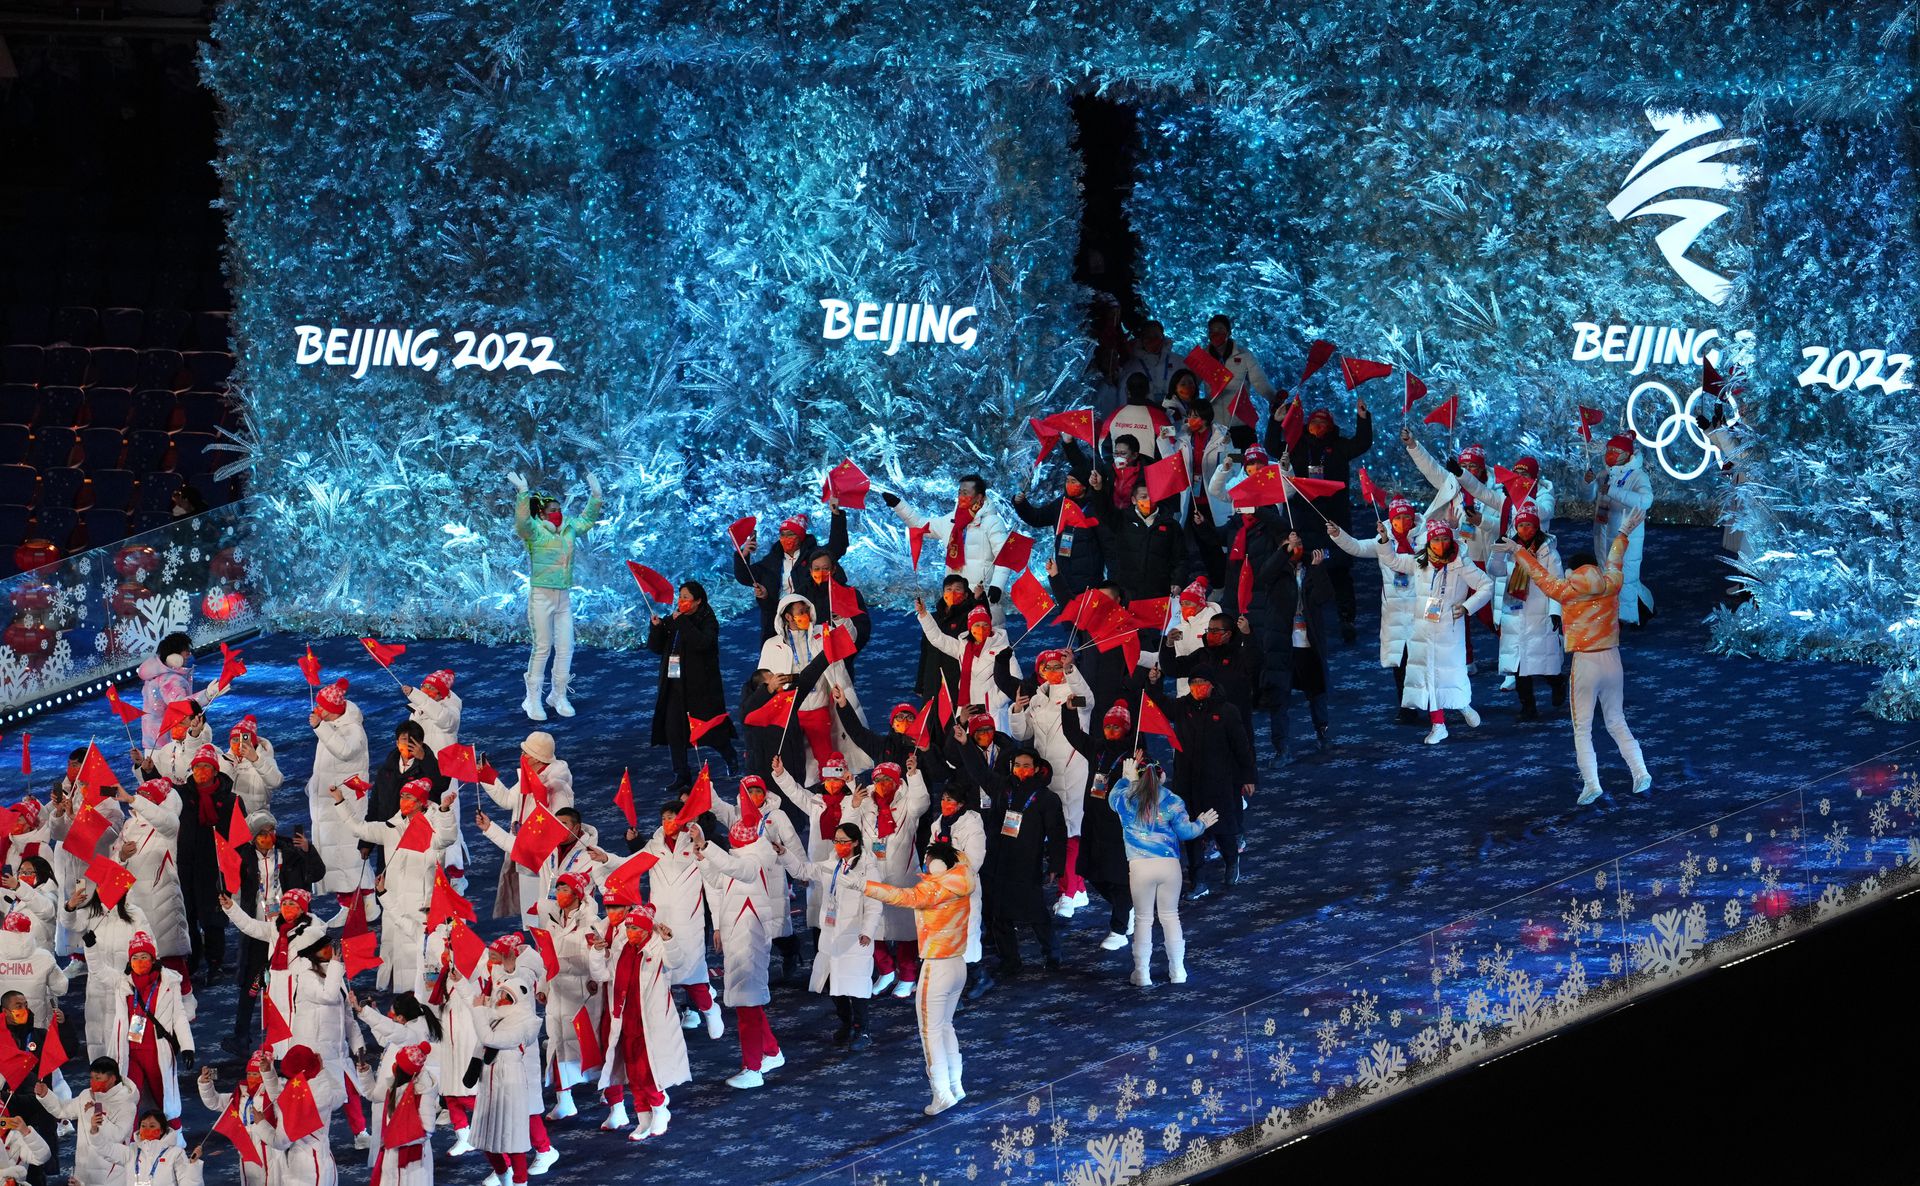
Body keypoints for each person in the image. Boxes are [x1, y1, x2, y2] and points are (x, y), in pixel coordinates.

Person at [1505, 507, 1654, 803]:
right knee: (1616, 720)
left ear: (1573, 570)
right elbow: (1615, 558)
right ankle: (1640, 771)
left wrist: (1518, 551)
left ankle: (1592, 783)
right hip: (1613, 659)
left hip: (1585, 663)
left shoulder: (1565, 589)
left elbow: (1539, 575)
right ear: (1594, 567)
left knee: (1582, 727)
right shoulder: (1611, 582)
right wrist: (1624, 531)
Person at [860, 839, 974, 1115]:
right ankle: (955, 1086)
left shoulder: (932, 889)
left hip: (936, 968)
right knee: (945, 1026)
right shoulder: (963, 876)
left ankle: (941, 1093)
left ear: (935, 864)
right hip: (958, 964)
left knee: (930, 1032)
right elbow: (960, 857)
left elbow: (901, 897)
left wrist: (862, 885)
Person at [688, 795, 794, 1090]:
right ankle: (771, 1052)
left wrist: (708, 847)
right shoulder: (738, 858)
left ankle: (753, 1068)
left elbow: (736, 870)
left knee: (748, 1003)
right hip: (738, 936)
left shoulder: (754, 861)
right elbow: (718, 879)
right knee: (749, 1002)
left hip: (749, 938)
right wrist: (701, 854)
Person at [332, 778, 457, 995]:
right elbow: (358, 828)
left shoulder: (432, 829)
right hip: (392, 900)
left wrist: (445, 810)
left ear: (420, 801)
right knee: (392, 950)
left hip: (420, 903)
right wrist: (341, 801)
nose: (403, 800)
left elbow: (447, 838)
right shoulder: (391, 827)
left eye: (408, 797)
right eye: (402, 796)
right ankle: (398, 999)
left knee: (416, 956)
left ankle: (420, 998)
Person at [1374, 520, 1492, 745]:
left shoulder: (1461, 563)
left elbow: (1486, 585)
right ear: (1429, 541)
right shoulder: (1420, 560)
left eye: (1445, 539)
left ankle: (1462, 704)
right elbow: (1393, 560)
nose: (1441, 543)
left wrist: (1467, 606)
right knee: (1429, 677)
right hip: (1423, 629)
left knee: (1451, 674)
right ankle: (1438, 725)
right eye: (1436, 539)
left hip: (1449, 628)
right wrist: (1384, 540)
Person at [959, 739, 1066, 976]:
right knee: (998, 915)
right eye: (1017, 765)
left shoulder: (1047, 798)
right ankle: (1010, 960)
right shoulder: (1002, 787)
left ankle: (1053, 955)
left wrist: (1056, 866)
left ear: (1037, 768)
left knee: (1035, 913)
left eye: (1026, 765)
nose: (1021, 769)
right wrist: (965, 744)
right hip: (997, 861)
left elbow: (1058, 834)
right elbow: (978, 771)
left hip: (1026, 863)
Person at [1273, 392, 1373, 641]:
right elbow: (1273, 447)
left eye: (1323, 423)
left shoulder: (1339, 446)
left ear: (1330, 426)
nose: (1318, 427)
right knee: (1302, 570)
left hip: (1333, 517)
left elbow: (1362, 443)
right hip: (1303, 518)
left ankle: (1347, 620)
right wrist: (1275, 422)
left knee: (1340, 571)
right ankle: (1302, 621)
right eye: (1314, 422)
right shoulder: (1295, 445)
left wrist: (1363, 418)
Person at [1109, 755, 1217, 986]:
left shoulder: (1125, 798)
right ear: (1163, 776)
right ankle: (1178, 971)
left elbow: (1111, 799)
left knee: (1143, 919)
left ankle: (1142, 974)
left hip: (1139, 867)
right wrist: (1202, 824)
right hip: (1169, 866)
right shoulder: (1173, 801)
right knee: (1170, 917)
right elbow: (1186, 833)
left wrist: (1124, 780)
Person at [1150, 667, 1255, 899]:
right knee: (1191, 832)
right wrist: (1156, 682)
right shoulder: (1182, 707)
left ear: (1212, 684)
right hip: (1187, 782)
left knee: (1223, 828)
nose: (1198, 686)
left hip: (1219, 781)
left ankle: (1231, 861)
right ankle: (1198, 880)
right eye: (1194, 682)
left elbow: (1241, 746)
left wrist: (1248, 777)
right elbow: (1158, 702)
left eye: (1203, 681)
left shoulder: (1227, 711)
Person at [507, 469, 603, 721]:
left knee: (566, 647)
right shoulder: (535, 531)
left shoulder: (569, 528)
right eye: (551, 510)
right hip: (541, 596)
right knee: (542, 648)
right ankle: (533, 698)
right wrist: (522, 493)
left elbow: (587, 520)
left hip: (563, 597)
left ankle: (558, 695)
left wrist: (596, 496)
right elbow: (521, 522)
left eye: (558, 509)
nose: (557, 513)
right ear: (541, 514)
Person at [592, 904, 688, 1141]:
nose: (630, 931)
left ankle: (659, 1110)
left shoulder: (657, 947)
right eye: (628, 927)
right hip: (626, 1020)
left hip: (651, 1022)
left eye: (634, 927)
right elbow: (602, 975)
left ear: (646, 929)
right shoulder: (622, 948)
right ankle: (643, 1116)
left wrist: (669, 940)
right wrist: (596, 953)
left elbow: (676, 962)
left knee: (649, 1070)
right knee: (633, 1071)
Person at [1329, 497, 1428, 724]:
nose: (1402, 522)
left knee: (1421, 659)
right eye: (1397, 518)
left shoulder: (1424, 539)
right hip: (1394, 612)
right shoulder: (1383, 540)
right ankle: (1406, 707)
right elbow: (1356, 547)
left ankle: (1429, 703)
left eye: (1406, 517)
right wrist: (1337, 534)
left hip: (1420, 609)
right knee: (1400, 661)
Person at [785, 822, 882, 1051]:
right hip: (831, 935)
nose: (838, 845)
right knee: (832, 982)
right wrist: (784, 854)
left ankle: (862, 1030)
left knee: (856, 986)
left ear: (855, 842)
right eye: (836, 841)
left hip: (855, 937)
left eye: (843, 842)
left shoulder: (868, 869)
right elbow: (802, 871)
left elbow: (874, 903)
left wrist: (868, 931)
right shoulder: (832, 865)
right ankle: (846, 1022)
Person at [1058, 702, 1140, 953]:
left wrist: (1137, 775)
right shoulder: (1097, 748)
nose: (1111, 731)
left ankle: (1119, 928)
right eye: (1107, 727)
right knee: (1091, 871)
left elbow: (1151, 787)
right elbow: (1073, 735)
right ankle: (1126, 908)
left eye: (1116, 727)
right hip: (1093, 821)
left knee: (1118, 879)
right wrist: (1069, 711)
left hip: (1119, 827)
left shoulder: (1134, 754)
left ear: (1126, 729)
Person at [637, 802, 723, 1038]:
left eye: (673, 818)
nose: (668, 823)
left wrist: (717, 926)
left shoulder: (698, 846)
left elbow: (713, 887)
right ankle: (664, 1024)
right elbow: (629, 866)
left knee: (692, 975)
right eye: (664, 818)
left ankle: (709, 1010)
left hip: (690, 923)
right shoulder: (653, 846)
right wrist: (605, 859)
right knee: (658, 976)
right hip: (660, 923)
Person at [1250, 532, 1336, 764]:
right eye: (1291, 545)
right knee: (1279, 699)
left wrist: (1318, 569)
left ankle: (1323, 734)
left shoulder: (1311, 567)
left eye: (1299, 544)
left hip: (1309, 643)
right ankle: (1282, 749)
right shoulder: (1276, 571)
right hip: (1281, 644)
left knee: (1317, 693)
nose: (1296, 548)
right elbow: (1263, 575)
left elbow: (1324, 596)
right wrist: (1283, 550)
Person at [649, 580, 740, 788]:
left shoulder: (707, 620)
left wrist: (681, 622)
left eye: (686, 598)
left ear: (698, 601)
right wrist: (656, 628)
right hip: (673, 683)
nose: (681, 601)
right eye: (680, 597)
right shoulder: (673, 619)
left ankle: (729, 755)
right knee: (674, 730)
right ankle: (681, 774)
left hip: (700, 686)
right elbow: (655, 648)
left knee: (709, 728)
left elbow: (702, 643)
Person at [851, 761, 930, 999]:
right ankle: (885, 971)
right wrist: (854, 805)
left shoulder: (907, 803)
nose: (882, 785)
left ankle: (907, 976)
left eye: (887, 780)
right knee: (873, 925)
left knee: (904, 931)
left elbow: (922, 802)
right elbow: (849, 828)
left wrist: (914, 774)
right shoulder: (865, 803)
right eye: (878, 780)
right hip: (873, 876)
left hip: (902, 878)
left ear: (897, 782)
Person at [110, 780, 192, 1002]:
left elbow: (166, 821)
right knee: (141, 964)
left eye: (146, 796)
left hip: (162, 901)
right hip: (134, 903)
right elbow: (113, 866)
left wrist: (132, 799)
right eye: (139, 794)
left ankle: (183, 1007)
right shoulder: (128, 826)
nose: (139, 798)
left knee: (169, 959)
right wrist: (122, 857)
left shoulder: (167, 824)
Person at [110, 931, 195, 1128]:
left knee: (166, 1100)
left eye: (144, 957)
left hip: (157, 1051)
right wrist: (89, 948)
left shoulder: (169, 982)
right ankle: (127, 1144)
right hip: (130, 1052)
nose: (139, 962)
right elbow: (97, 970)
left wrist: (187, 1047)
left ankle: (176, 1140)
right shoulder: (123, 983)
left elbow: (179, 1017)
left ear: (153, 958)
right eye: (135, 958)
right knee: (128, 1100)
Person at [1492, 503, 1567, 719]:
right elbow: (1495, 572)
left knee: (1542, 662)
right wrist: (1497, 553)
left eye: (1529, 525)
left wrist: (1556, 611)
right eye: (1521, 525)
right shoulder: (1509, 549)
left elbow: (1557, 583)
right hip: (1513, 613)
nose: (1525, 529)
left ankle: (1557, 682)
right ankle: (1528, 706)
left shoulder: (1548, 553)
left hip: (1539, 613)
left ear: (1536, 527)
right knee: (1519, 665)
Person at [471, 976, 545, 1186]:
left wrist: (478, 1010)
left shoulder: (523, 1023)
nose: (500, 999)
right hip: (489, 1081)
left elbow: (489, 1039)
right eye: (501, 994)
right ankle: (504, 1179)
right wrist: (460, 983)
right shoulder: (496, 1016)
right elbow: (475, 1002)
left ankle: (520, 1182)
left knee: (512, 1139)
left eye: (505, 995)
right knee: (485, 1138)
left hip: (510, 1082)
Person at [732, 510, 850, 641]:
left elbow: (838, 546)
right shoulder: (773, 560)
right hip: (779, 616)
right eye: (782, 535)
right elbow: (745, 577)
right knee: (779, 657)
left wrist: (836, 515)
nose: (786, 538)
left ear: (800, 536)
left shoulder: (815, 556)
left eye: (791, 534)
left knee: (814, 654)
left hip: (810, 614)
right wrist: (743, 555)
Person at [882, 474, 1010, 591]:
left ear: (979, 497)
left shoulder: (992, 522)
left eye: (965, 493)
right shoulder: (951, 520)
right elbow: (920, 525)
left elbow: (1005, 556)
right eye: (959, 492)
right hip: (954, 596)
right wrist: (898, 505)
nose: (961, 497)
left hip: (981, 596)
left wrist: (997, 585)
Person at [305, 677, 370, 901]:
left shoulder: (353, 729)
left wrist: (319, 727)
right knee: (335, 857)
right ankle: (347, 905)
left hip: (347, 801)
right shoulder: (332, 725)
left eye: (321, 706)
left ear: (332, 710)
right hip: (328, 801)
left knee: (349, 855)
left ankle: (365, 902)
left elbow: (344, 751)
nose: (317, 709)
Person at [70, 884, 149, 1060]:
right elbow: (70, 923)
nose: (103, 891)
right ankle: (102, 1074)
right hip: (98, 987)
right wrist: (70, 907)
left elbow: (150, 948)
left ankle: (135, 1077)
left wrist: (135, 969)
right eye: (99, 887)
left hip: (130, 986)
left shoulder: (136, 914)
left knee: (134, 1038)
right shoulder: (90, 913)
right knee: (97, 1036)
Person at [1588, 433, 1655, 625]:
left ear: (1627, 454)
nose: (1611, 454)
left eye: (1616, 451)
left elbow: (1645, 501)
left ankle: (1628, 617)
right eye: (1609, 450)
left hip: (1627, 536)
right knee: (1606, 573)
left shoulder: (1638, 476)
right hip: (1602, 532)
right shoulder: (1604, 475)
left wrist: (1612, 491)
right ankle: (1611, 613)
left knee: (1626, 576)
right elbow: (1587, 496)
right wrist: (1587, 482)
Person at [40, 1057, 137, 1186]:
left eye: (98, 1078)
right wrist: (45, 1095)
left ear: (112, 1078)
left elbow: (117, 1136)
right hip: (83, 1168)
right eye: (91, 1078)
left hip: (110, 1172)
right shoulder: (86, 1095)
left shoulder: (126, 1104)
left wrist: (94, 1114)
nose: (93, 1082)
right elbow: (62, 1111)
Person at [135, 631, 229, 750]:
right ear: (174, 655)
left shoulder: (156, 674)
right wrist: (207, 694)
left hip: (154, 741)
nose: (189, 655)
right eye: (186, 651)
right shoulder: (169, 679)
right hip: (167, 745)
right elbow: (180, 705)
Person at [363, 1040, 437, 1186]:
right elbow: (374, 1095)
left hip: (411, 1159)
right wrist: (364, 1073)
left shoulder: (423, 1093)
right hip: (393, 1151)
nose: (393, 1065)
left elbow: (427, 1129)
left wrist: (398, 1137)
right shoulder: (395, 1084)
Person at [366, 720, 446, 828]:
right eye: (404, 740)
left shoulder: (430, 766)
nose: (408, 744)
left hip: (418, 833)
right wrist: (365, 844)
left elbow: (441, 785)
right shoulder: (386, 769)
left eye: (413, 740)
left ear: (421, 743)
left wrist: (424, 759)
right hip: (388, 833)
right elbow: (374, 806)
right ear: (397, 743)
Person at [1199, 314, 1273, 428]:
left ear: (1228, 332)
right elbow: (1191, 383)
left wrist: (1274, 399)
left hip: (1241, 421)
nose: (1215, 333)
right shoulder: (1203, 357)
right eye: (1212, 330)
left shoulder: (1244, 354)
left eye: (1220, 329)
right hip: (1214, 424)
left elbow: (1259, 381)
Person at [104, 1110, 207, 1186]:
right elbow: (105, 1150)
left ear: (161, 1130)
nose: (146, 1129)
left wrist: (193, 1165)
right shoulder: (131, 1150)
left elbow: (188, 1183)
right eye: (143, 1126)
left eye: (152, 1126)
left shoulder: (175, 1153)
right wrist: (95, 1131)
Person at [221, 715, 284, 818]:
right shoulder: (225, 760)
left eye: (242, 739)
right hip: (233, 821)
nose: (238, 744)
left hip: (258, 822)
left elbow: (276, 782)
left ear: (251, 741)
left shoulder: (265, 759)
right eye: (234, 740)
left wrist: (256, 760)